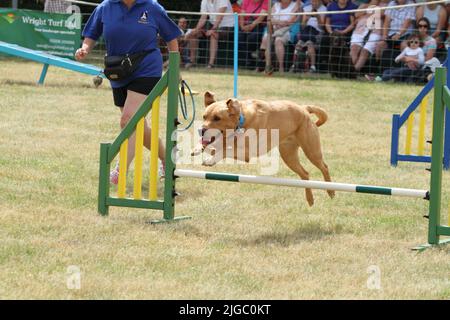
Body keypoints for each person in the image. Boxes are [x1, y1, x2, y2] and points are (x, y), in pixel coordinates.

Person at [75, 0, 180, 184]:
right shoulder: (106, 7)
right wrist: (85, 48)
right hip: (118, 71)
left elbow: (171, 36)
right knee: (138, 126)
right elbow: (91, 33)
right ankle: (167, 158)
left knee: (128, 120)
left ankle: (120, 171)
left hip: (146, 69)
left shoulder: (152, 7)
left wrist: (174, 65)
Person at [185, 0, 234, 69]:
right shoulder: (204, 1)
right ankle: (192, 61)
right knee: (193, 34)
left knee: (213, 34)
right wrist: (196, 30)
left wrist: (212, 30)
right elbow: (203, 18)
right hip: (213, 25)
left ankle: (211, 64)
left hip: (228, 26)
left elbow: (219, 18)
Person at [258, 0, 300, 73]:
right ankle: (267, 66)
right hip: (273, 29)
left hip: (287, 30)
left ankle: (281, 67)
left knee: (278, 40)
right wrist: (278, 22)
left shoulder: (295, 5)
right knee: (266, 39)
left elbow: (290, 21)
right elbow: (269, 18)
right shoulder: (275, 5)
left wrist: (276, 22)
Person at [375, 0, 415, 72]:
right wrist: (384, 35)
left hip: (406, 34)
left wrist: (399, 34)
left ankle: (405, 71)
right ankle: (379, 72)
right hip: (391, 34)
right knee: (379, 45)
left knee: (404, 45)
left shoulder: (411, 4)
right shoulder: (391, 3)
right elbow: (386, 22)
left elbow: (407, 22)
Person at [290, 0, 327, 73]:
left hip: (317, 31)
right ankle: (294, 65)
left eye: (316, 2)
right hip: (306, 31)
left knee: (310, 43)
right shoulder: (306, 8)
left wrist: (318, 17)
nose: (314, 3)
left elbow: (322, 27)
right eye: (313, 1)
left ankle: (313, 67)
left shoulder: (324, 9)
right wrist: (307, 18)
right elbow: (303, 26)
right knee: (299, 44)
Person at [238, 0, 269, 69]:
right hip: (246, 24)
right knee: (239, 36)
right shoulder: (246, 1)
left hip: (259, 25)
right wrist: (242, 26)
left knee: (252, 37)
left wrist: (251, 26)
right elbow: (242, 15)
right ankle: (248, 59)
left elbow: (261, 17)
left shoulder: (266, 1)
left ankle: (252, 57)